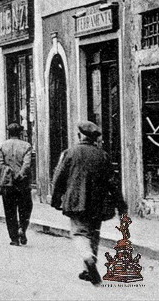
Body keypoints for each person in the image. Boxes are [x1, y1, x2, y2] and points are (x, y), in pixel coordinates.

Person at [51, 121, 127, 286]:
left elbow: (59, 178)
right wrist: (120, 204)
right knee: (93, 233)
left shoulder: (69, 153)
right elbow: (112, 182)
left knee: (79, 233)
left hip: (75, 201)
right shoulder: (103, 155)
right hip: (97, 203)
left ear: (79, 136)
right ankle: (87, 270)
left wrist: (56, 199)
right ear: (94, 139)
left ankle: (87, 257)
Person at [0, 123, 32, 246]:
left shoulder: (3, 146)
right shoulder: (26, 146)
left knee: (9, 211)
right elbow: (27, 164)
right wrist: (19, 175)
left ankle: (14, 238)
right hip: (22, 183)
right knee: (25, 208)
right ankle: (22, 228)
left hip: (7, 184)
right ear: (20, 133)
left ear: (9, 133)